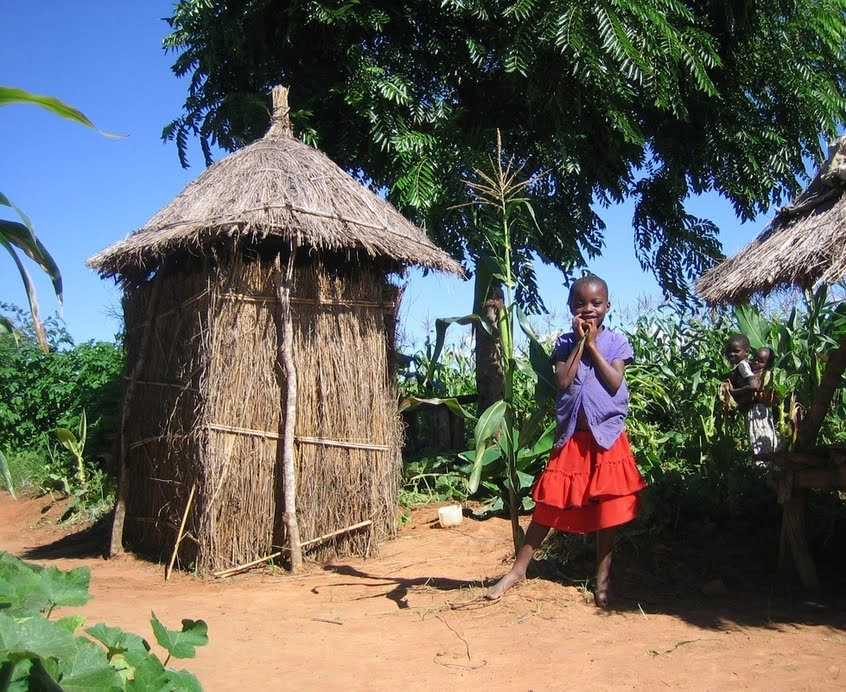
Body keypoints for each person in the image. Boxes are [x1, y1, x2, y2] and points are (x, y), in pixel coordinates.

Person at [485, 275, 646, 608]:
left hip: (607, 439)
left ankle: (602, 582)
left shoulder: (616, 342)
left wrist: (592, 347)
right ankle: (518, 570)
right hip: (573, 436)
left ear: (607, 307)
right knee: (550, 503)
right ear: (571, 308)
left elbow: (615, 381)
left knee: (607, 511)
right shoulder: (562, 343)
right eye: (581, 303)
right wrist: (577, 343)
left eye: (596, 303)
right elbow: (563, 380)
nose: (588, 310)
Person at [721, 336, 778, 461]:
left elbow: (753, 386)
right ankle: (767, 469)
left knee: (759, 441)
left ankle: (763, 472)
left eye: (736, 351)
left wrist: (733, 391)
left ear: (746, 352)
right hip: (756, 410)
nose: (731, 354)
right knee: (762, 441)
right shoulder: (744, 367)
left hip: (756, 412)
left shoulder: (743, 366)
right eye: (729, 351)